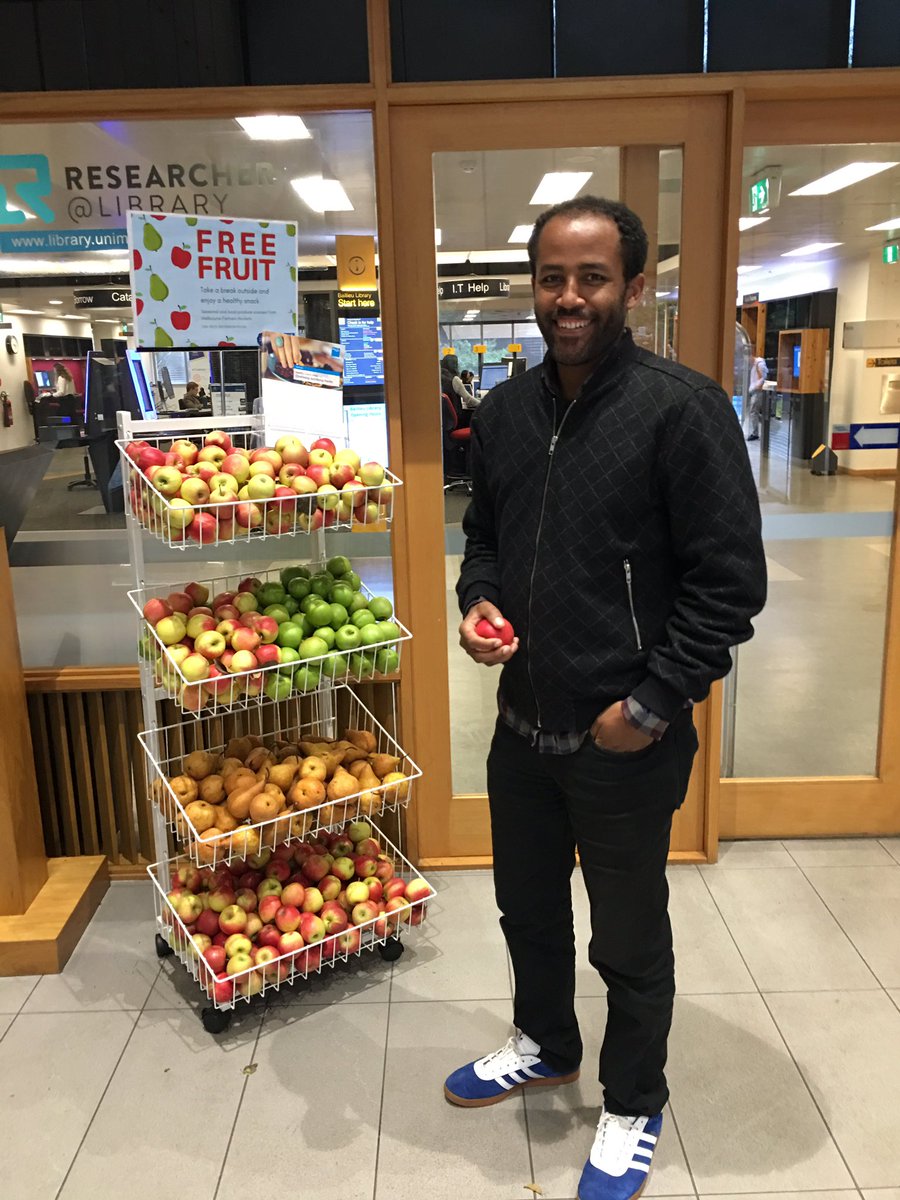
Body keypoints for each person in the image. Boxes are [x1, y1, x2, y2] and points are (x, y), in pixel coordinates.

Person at [447, 196, 766, 1200]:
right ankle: (546, 1041)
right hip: (522, 725)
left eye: (592, 277)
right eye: (552, 277)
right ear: (533, 286)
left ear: (634, 286)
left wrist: (654, 703)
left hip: (625, 734)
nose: (569, 297)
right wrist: (480, 602)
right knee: (524, 908)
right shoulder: (502, 413)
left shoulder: (684, 409)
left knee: (628, 934)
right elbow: (486, 541)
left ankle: (634, 1099)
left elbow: (729, 583)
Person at [746, 353, 768, 441]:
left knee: (753, 412)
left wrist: (759, 386)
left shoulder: (759, 364)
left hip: (757, 391)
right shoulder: (756, 364)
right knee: (755, 412)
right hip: (755, 390)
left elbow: (762, 377)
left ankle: (755, 433)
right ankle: (757, 431)